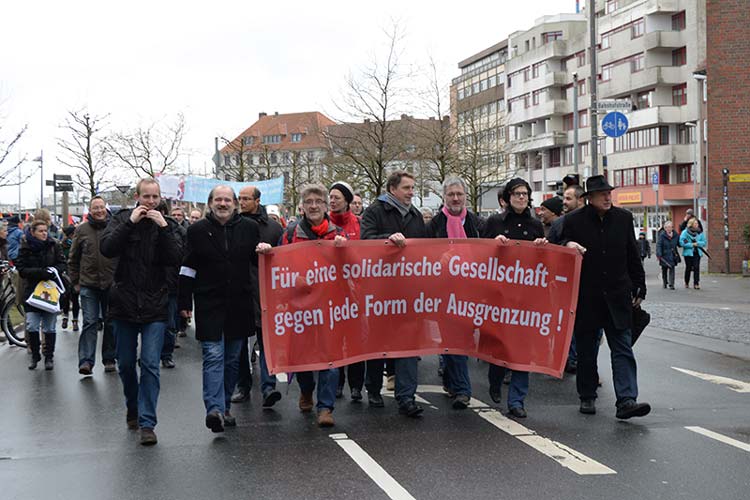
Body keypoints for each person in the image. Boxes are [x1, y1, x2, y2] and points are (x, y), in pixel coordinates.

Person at [560, 175, 651, 420]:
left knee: (622, 347)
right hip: (587, 297)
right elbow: (556, 244)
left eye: (609, 193)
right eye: (602, 194)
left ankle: (627, 400)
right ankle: (587, 395)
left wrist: (640, 287)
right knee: (587, 350)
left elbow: (633, 254)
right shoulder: (573, 221)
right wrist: (568, 243)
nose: (608, 197)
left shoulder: (623, 219)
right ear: (589, 198)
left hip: (618, 295)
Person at [100, 178, 182, 446]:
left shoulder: (166, 224)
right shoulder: (123, 218)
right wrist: (130, 223)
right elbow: (108, 248)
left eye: (155, 197)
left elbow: (176, 257)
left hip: (155, 304)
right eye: (146, 196)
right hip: (123, 303)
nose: (151, 202)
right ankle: (132, 406)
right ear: (137, 196)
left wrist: (164, 226)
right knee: (125, 363)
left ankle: (148, 422)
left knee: (149, 364)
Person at [179, 185, 261, 433]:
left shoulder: (249, 228)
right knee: (213, 356)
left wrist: (266, 252)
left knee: (232, 360)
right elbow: (187, 268)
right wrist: (184, 302)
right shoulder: (196, 231)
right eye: (218, 199)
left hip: (239, 304)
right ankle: (213, 409)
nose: (223, 203)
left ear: (235, 203)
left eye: (227, 199)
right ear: (210, 203)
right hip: (209, 303)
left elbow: (258, 264)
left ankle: (224, 407)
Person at [275, 183, 345, 427]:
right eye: (309, 202)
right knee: (303, 356)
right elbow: (279, 265)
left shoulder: (338, 234)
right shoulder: (291, 233)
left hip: (330, 307)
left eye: (318, 201)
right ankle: (306, 389)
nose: (314, 206)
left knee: (331, 357)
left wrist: (343, 251)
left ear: (326, 205)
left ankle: (325, 408)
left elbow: (351, 267)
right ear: (302, 206)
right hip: (301, 307)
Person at [361, 170, 425, 418]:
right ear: (392, 189)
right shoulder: (375, 211)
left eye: (412, 188)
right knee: (379, 343)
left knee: (408, 344)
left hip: (408, 291)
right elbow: (365, 241)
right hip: (380, 290)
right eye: (407, 188)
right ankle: (373, 388)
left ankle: (406, 397)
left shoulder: (416, 215)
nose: (411, 192)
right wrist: (388, 240)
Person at [482, 178, 546, 418]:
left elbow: (542, 262)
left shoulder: (535, 225)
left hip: (526, 296)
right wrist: (493, 244)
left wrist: (542, 247)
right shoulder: (495, 222)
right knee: (501, 344)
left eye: (525, 194)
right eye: (517, 194)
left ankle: (517, 399)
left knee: (523, 349)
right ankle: (495, 378)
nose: (521, 198)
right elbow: (481, 254)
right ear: (508, 197)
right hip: (500, 295)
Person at [425, 176, 481, 410]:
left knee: (463, 340)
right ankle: (462, 390)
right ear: (444, 197)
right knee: (452, 338)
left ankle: (452, 381)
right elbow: (423, 259)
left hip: (472, 291)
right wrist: (440, 259)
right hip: (444, 292)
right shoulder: (433, 226)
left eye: (459, 194)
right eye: (451, 195)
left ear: (466, 196)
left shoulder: (478, 223)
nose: (456, 198)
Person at [232, 185, 284, 407]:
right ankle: (243, 386)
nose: (241, 202)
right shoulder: (232, 225)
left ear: (257, 200)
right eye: (240, 198)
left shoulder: (273, 228)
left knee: (266, 343)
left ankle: (268, 387)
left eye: (246, 199)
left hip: (266, 292)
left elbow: (284, 259)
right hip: (239, 291)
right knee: (240, 345)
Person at [69, 196, 118, 375]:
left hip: (111, 283)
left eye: (101, 207)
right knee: (89, 322)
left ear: (106, 208)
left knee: (111, 322)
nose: (98, 211)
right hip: (88, 284)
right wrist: (75, 282)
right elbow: (73, 258)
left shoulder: (115, 227)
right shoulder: (82, 230)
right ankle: (86, 361)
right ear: (90, 210)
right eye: (95, 208)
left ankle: (109, 358)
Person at [328, 181, 364, 401]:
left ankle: (357, 385)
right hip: (332, 289)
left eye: (337, 198)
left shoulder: (358, 223)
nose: (332, 201)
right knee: (335, 338)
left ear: (347, 201)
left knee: (355, 338)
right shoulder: (324, 223)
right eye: (330, 197)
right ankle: (338, 381)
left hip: (355, 289)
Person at [16, 220, 66, 370]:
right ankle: (35, 355)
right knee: (32, 324)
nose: (45, 233)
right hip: (32, 291)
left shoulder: (53, 245)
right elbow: (22, 269)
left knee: (50, 326)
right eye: (41, 231)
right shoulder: (25, 248)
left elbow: (63, 263)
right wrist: (40, 272)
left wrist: (52, 271)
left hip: (50, 290)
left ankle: (49, 356)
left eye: (46, 230)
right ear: (32, 232)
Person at [548, 184, 586, 374]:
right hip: (565, 283)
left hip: (589, 284)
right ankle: (569, 359)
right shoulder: (558, 224)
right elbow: (552, 252)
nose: (564, 202)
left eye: (568, 198)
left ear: (581, 200)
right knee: (567, 323)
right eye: (564, 198)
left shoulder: (592, 222)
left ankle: (582, 360)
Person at [158, 201, 186, 369]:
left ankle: (166, 355)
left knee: (169, 323)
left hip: (171, 284)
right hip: (147, 286)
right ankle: (151, 354)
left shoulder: (177, 230)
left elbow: (181, 254)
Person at [60, 225, 80, 332]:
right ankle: (75, 321)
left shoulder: (61, 245)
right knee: (75, 298)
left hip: (65, 275)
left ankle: (65, 317)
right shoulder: (74, 245)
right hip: (73, 274)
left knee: (66, 297)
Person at [680, 217, 707, 290]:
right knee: (688, 268)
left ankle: (696, 283)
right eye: (695, 223)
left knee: (696, 267)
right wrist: (691, 245)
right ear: (691, 224)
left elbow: (704, 242)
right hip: (688, 253)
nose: (697, 225)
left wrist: (697, 243)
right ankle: (686, 281)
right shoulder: (685, 232)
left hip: (697, 253)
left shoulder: (700, 232)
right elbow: (682, 242)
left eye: (697, 223)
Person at [656, 221, 680, 290]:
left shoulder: (676, 235)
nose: (669, 228)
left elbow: (679, 243)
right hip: (664, 255)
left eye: (670, 227)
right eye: (667, 227)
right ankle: (665, 282)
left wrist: (685, 242)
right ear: (665, 228)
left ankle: (671, 284)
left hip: (672, 255)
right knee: (664, 269)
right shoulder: (662, 235)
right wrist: (659, 254)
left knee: (672, 268)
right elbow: (659, 245)